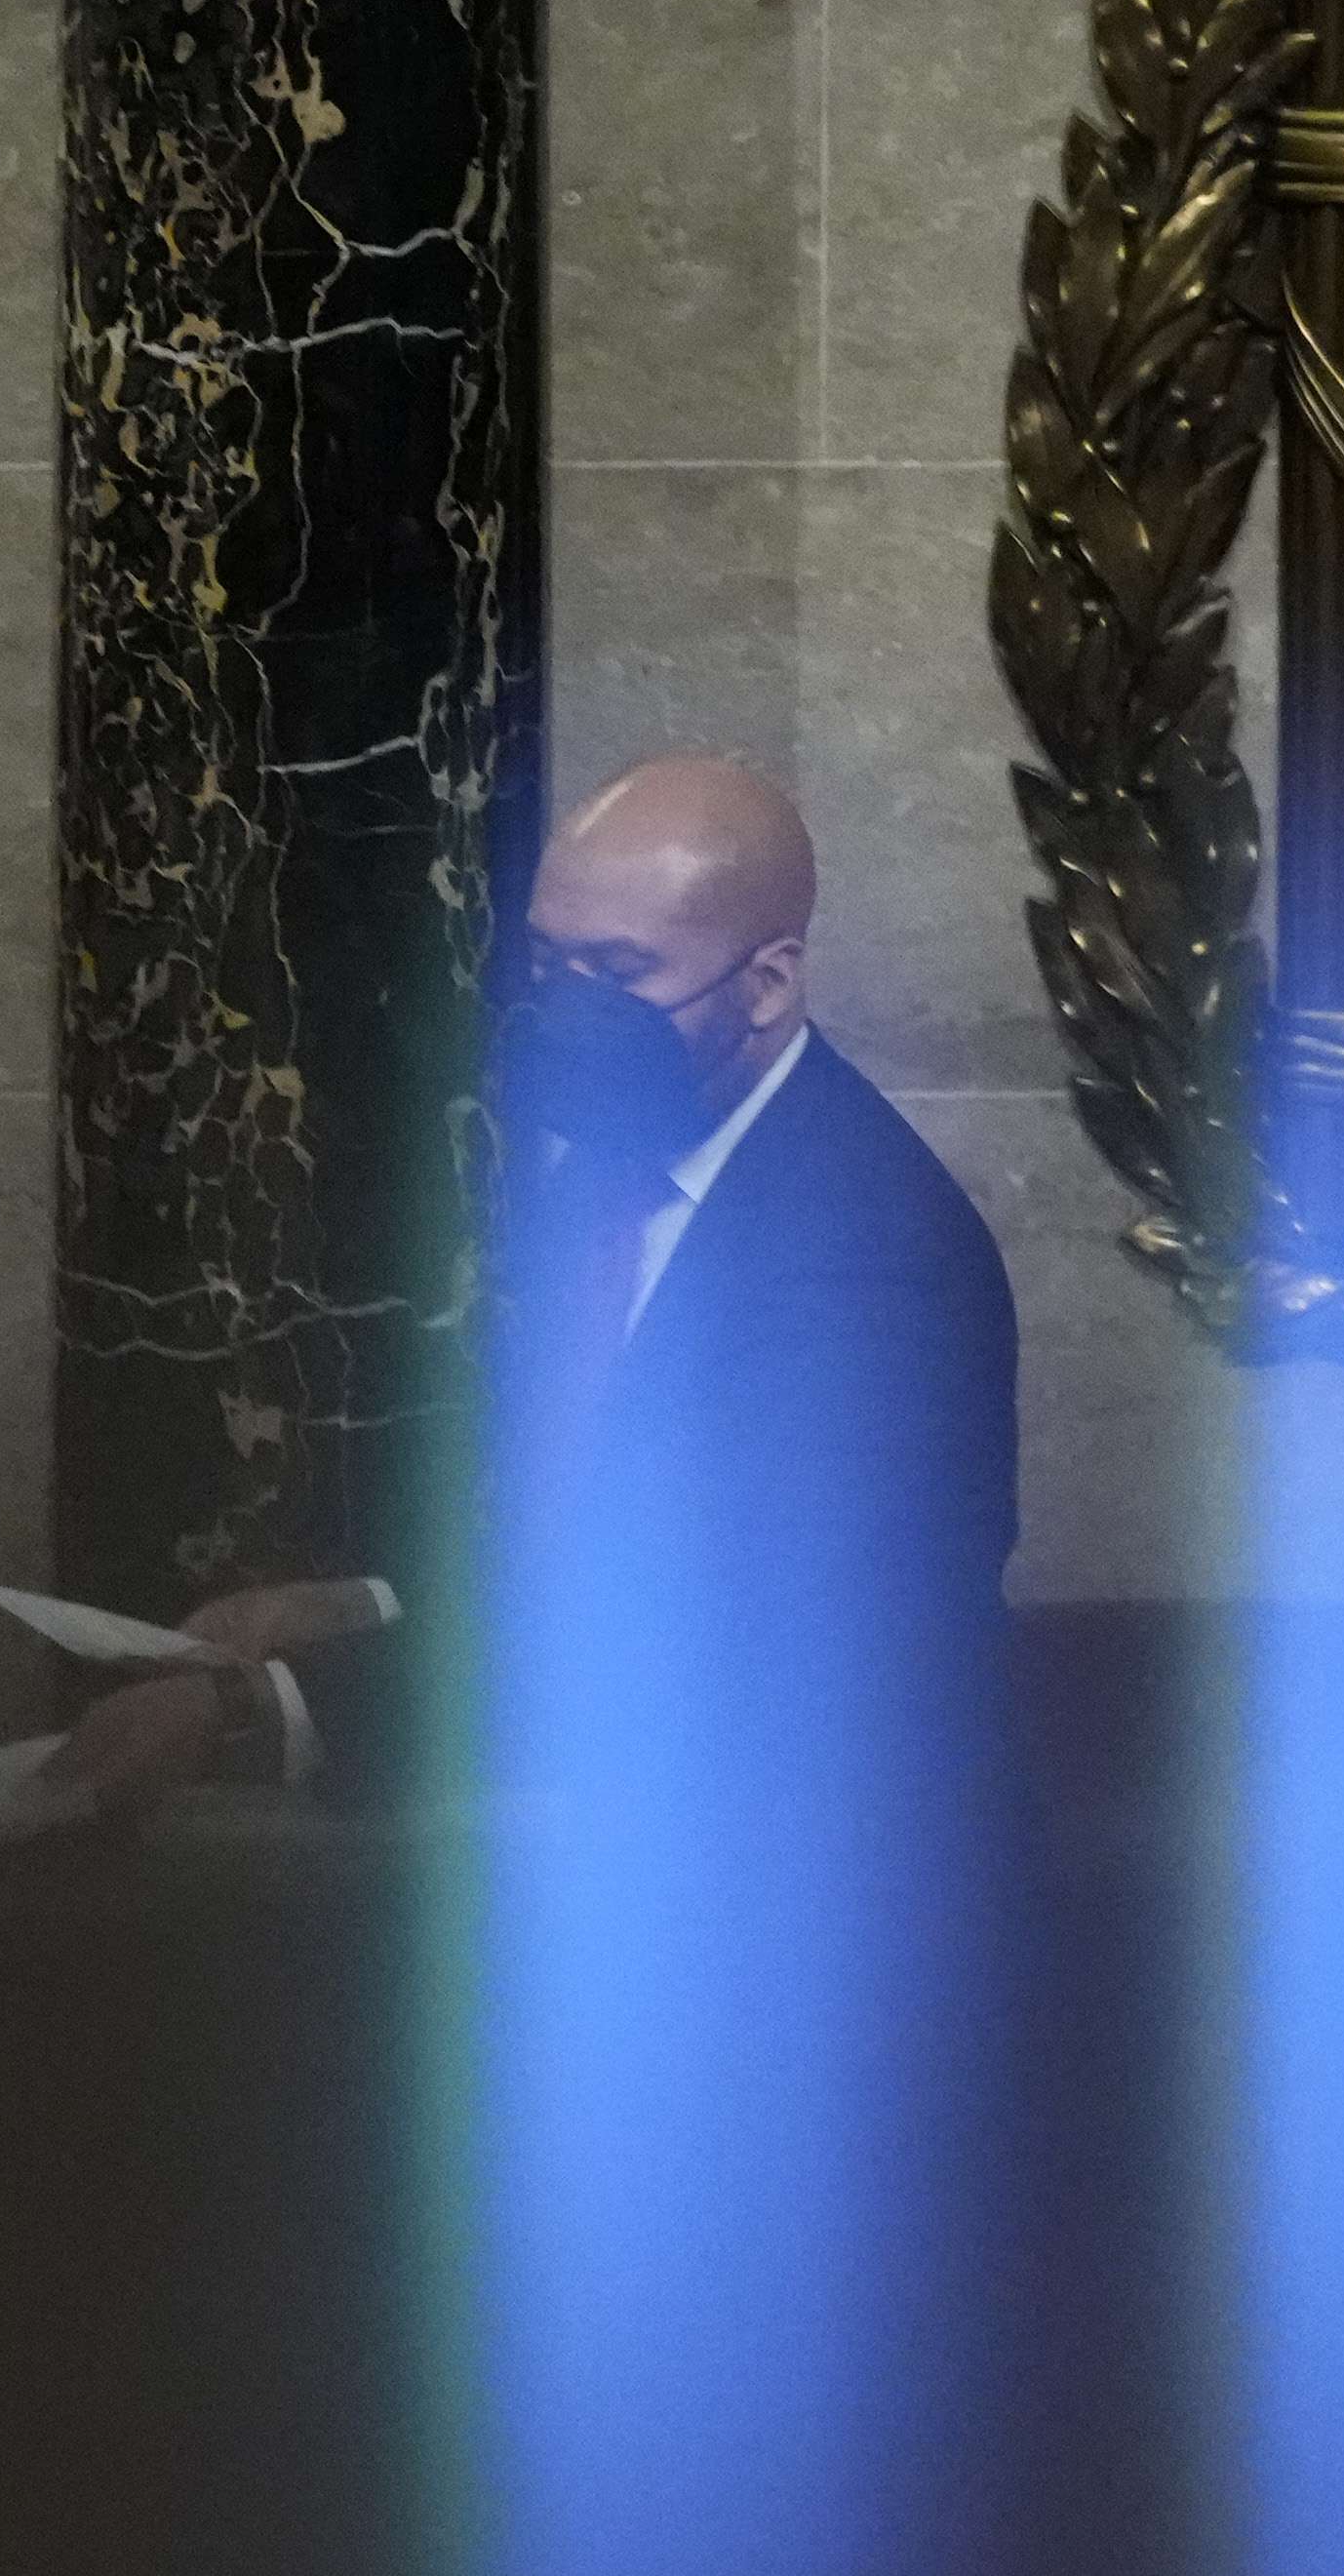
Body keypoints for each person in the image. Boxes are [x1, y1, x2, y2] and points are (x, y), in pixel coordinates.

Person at [52, 750, 1015, 1812]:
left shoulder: (870, 1261)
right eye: (550, 964)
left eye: (621, 971)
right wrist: (366, 1604)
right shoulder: (615, 1159)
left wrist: (263, 1709)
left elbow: (716, 1640)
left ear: (769, 982)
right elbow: (583, 1534)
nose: (569, 1011)